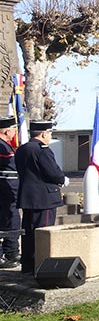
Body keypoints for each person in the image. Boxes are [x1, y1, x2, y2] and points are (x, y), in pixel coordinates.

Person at [16, 121, 66, 275]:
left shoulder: (22, 149)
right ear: (44, 134)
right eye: (50, 133)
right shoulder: (42, 150)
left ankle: (28, 265)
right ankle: (41, 266)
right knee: (43, 232)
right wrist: (62, 179)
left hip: (28, 197)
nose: (50, 136)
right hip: (44, 198)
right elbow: (52, 172)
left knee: (29, 232)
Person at [0, 117, 19, 269]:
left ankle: (10, 251)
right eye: (13, 129)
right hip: (5, 191)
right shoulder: (1, 147)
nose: (15, 132)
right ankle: (6, 253)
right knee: (10, 221)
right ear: (7, 131)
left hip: (8, 192)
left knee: (11, 222)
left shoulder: (5, 146)